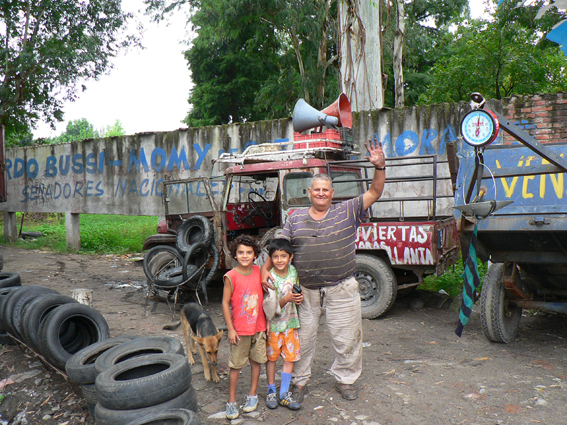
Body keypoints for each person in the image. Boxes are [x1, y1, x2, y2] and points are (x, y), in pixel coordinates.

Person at [260, 137, 386, 402]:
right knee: (302, 340)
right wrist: (264, 270)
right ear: (309, 193)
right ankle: (299, 382)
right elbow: (279, 247)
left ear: (332, 193)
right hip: (304, 292)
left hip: (341, 287)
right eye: (316, 189)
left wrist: (380, 167)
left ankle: (346, 379)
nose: (320, 193)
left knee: (347, 338)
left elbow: (374, 192)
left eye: (325, 190)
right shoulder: (294, 217)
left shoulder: (348, 210)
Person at [222, 235, 267, 420]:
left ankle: (252, 395)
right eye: (241, 252)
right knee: (235, 366)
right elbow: (225, 304)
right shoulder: (230, 276)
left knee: (256, 362)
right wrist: (230, 329)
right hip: (239, 331)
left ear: (255, 254)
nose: (245, 256)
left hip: (259, 328)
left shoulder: (260, 271)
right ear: (235, 254)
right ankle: (231, 401)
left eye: (249, 252)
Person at [264, 238, 303, 410]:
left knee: (290, 358)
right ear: (270, 258)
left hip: (291, 323)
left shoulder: (293, 272)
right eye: (275, 256)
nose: (279, 260)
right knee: (271, 359)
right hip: (274, 326)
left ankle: (284, 393)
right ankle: (271, 390)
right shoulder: (269, 278)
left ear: (291, 257)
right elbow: (270, 308)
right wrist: (286, 299)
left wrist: (298, 298)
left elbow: (296, 291)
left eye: (283, 256)